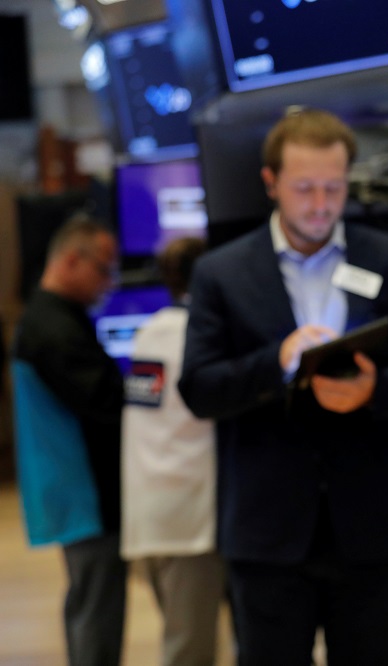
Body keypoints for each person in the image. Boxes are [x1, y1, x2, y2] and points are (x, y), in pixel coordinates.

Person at [178, 108, 388, 665]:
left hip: (373, 529)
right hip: (266, 533)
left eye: (334, 187)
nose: (321, 203)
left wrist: (374, 391)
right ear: (271, 182)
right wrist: (275, 363)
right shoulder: (221, 273)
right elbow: (200, 389)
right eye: (305, 188)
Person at [13, 216, 127, 666]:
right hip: (84, 494)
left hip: (72, 491)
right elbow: (107, 402)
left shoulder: (50, 317)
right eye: (103, 270)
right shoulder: (53, 329)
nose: (109, 283)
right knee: (96, 611)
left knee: (87, 603)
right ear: (72, 260)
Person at [120, 236, 225, 666]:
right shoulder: (198, 337)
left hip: (153, 514)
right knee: (188, 654)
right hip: (189, 522)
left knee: (184, 643)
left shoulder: (150, 332)